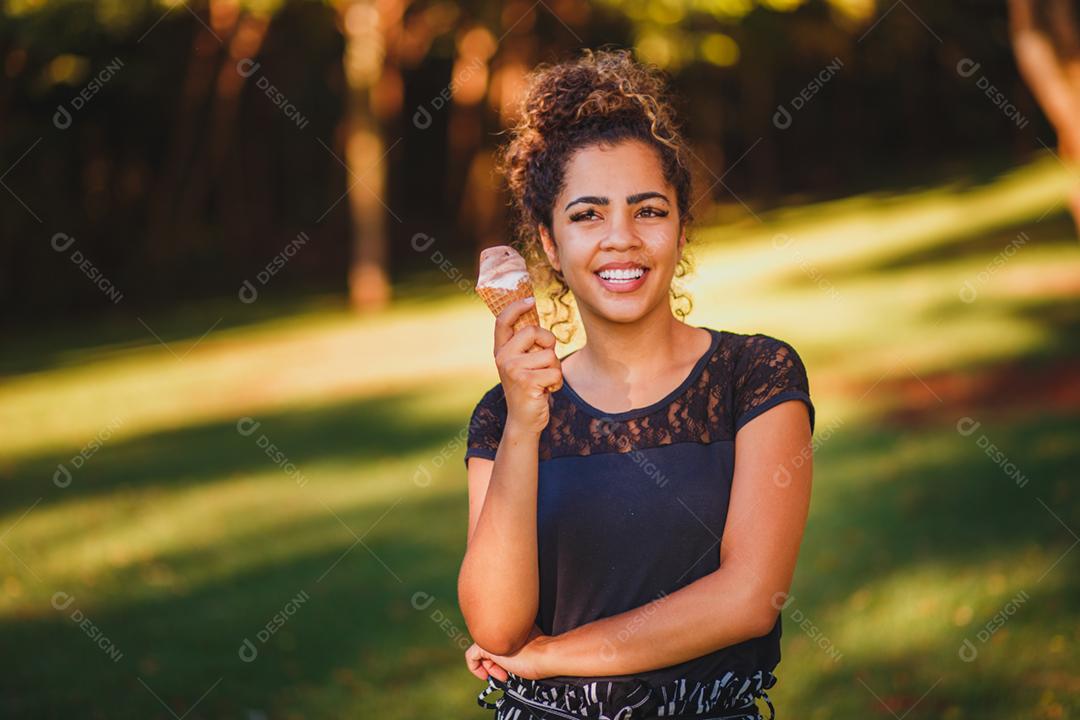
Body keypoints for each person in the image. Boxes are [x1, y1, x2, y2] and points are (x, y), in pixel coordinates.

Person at [457, 48, 815, 720]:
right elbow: (498, 629)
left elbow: (746, 598)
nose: (620, 238)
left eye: (648, 210)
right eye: (587, 215)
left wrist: (552, 658)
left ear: (681, 229)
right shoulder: (503, 414)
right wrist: (525, 425)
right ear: (550, 245)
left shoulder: (756, 377)